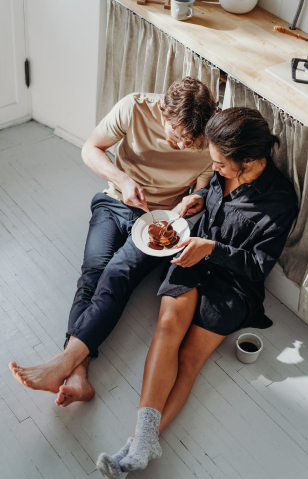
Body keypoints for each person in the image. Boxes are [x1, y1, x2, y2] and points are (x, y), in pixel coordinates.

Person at [96, 107, 298, 478]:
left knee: (190, 359)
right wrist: (200, 196)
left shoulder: (280, 201)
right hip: (192, 256)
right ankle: (143, 441)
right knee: (167, 328)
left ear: (249, 160)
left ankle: (139, 445)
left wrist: (213, 249)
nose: (215, 168)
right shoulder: (222, 174)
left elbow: (258, 266)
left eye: (220, 165)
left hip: (235, 281)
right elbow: (212, 206)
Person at [8, 77, 217, 407]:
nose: (179, 147)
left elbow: (202, 188)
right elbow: (90, 148)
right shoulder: (133, 107)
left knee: (118, 274)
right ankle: (77, 375)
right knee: (92, 272)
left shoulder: (207, 139)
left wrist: (195, 199)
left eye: (188, 143)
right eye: (175, 137)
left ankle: (63, 363)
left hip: (160, 221)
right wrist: (122, 178)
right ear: (163, 111)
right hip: (115, 201)